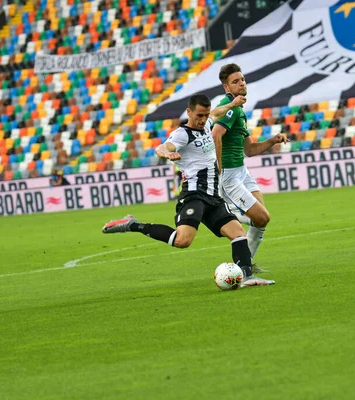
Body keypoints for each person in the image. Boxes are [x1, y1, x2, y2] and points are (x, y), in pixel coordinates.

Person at [102, 93, 275, 287]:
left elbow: (216, 113)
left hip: (213, 196)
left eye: (205, 115)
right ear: (189, 112)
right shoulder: (182, 134)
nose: (202, 120)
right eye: (199, 116)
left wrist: (232, 104)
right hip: (194, 195)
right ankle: (133, 224)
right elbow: (162, 147)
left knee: (238, 234)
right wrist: (167, 153)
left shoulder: (208, 123)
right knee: (183, 240)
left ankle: (247, 277)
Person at [211, 63, 288, 272]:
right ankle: (220, 215)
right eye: (235, 82)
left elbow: (250, 150)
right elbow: (215, 135)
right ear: (227, 88)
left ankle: (246, 265)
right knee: (261, 217)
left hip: (242, 171)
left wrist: (272, 140)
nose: (241, 83)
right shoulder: (229, 107)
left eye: (242, 79)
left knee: (261, 220)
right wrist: (218, 168)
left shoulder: (239, 110)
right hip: (228, 175)